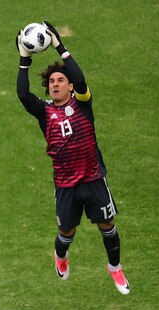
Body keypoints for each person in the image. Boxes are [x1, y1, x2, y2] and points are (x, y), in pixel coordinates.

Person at [15, 22, 130, 295]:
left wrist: (59, 46)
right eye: (52, 81)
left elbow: (81, 80)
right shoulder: (44, 112)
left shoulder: (82, 103)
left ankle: (115, 268)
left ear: (69, 86)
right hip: (66, 184)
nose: (55, 84)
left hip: (92, 177)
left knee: (107, 225)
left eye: (60, 80)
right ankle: (61, 257)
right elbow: (22, 94)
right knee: (67, 233)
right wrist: (24, 59)